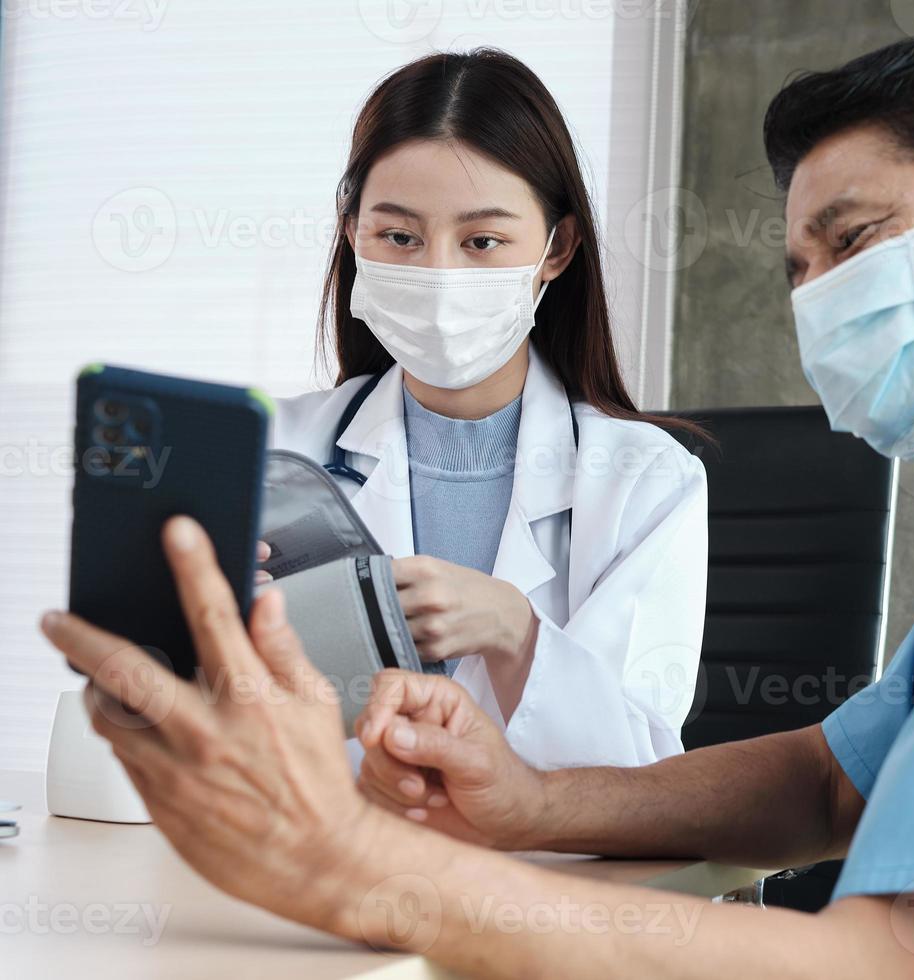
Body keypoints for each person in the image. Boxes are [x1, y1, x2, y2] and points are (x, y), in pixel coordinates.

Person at [45, 37, 914, 978]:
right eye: (799, 268)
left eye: (854, 242)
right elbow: (836, 782)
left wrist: (371, 877)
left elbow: (913, 956)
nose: (821, 300)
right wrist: (531, 798)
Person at [270, 49, 709, 769]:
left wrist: (516, 633)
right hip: (324, 870)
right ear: (353, 233)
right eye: (400, 237)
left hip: (538, 879)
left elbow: (637, 772)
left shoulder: (647, 483)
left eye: (482, 241)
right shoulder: (277, 453)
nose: (438, 273)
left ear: (557, 248)